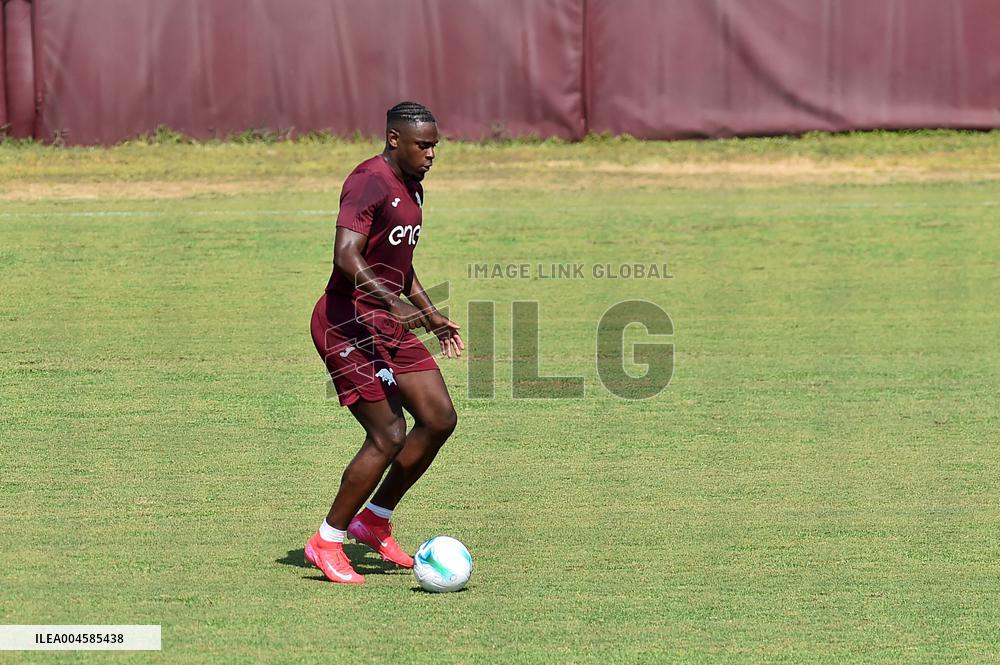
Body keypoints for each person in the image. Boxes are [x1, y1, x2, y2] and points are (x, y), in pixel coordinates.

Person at [305, 101, 464, 584]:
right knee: (388, 434)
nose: (431, 154)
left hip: (386, 321)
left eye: (435, 145)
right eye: (423, 145)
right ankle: (326, 541)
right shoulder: (368, 180)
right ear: (394, 139)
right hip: (346, 322)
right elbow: (346, 255)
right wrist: (390, 301)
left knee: (438, 418)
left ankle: (374, 520)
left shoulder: (413, 185)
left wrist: (430, 314)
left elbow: (399, 262)